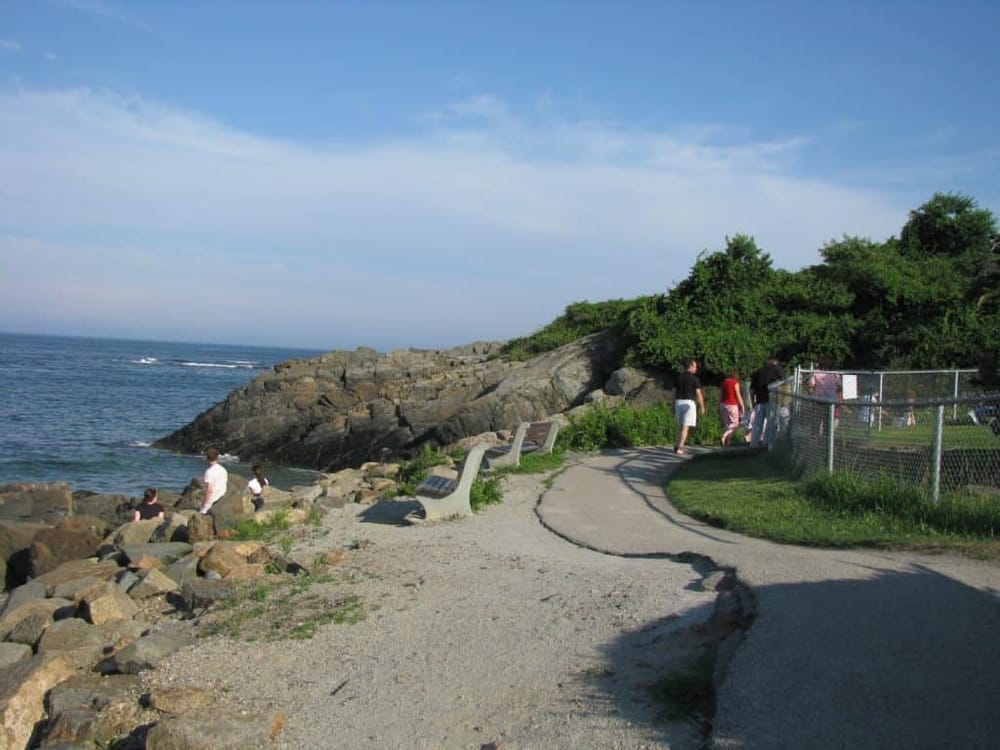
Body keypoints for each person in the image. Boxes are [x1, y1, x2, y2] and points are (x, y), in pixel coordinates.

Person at [749, 355, 785, 447]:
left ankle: (753, 444)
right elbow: (784, 382)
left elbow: (752, 389)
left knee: (757, 424)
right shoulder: (777, 369)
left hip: (759, 400)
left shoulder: (759, 371)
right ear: (774, 361)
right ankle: (767, 444)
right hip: (772, 400)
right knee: (771, 423)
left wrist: (753, 402)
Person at [672, 358, 705, 456]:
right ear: (690, 366)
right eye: (695, 366)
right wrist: (702, 406)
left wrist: (672, 405)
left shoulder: (678, 377)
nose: (696, 368)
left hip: (678, 402)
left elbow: (673, 393)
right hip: (689, 403)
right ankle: (680, 448)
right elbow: (698, 394)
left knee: (680, 426)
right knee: (685, 427)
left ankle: (677, 444)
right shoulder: (695, 379)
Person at [808, 355, 842, 432]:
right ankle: (826, 441)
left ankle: (814, 441)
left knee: (816, 423)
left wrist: (812, 394)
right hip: (831, 401)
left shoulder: (816, 373)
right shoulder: (835, 374)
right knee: (828, 424)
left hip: (818, 400)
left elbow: (811, 386)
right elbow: (839, 387)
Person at [719, 369, 746, 446]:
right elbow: (738, 395)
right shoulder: (735, 382)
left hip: (723, 405)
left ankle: (727, 442)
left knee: (727, 424)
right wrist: (742, 405)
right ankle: (724, 436)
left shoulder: (723, 382)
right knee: (735, 424)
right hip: (732, 405)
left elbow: (720, 395)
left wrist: (718, 405)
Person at [199, 447, 228, 514]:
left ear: (207, 458)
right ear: (217, 457)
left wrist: (204, 503)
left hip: (212, 500)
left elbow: (209, 490)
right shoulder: (223, 470)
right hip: (222, 499)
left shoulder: (209, 472)